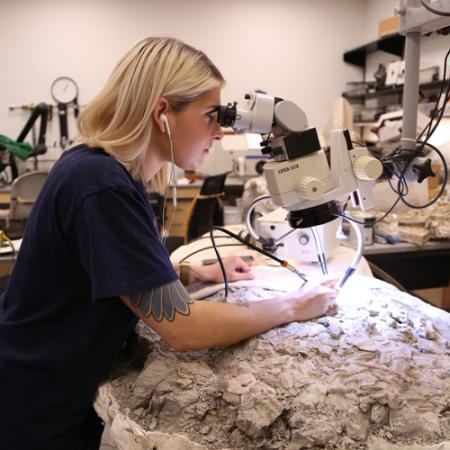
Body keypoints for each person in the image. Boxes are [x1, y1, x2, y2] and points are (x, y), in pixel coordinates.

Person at [0, 37, 338, 450]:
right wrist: (292, 306)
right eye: (211, 116)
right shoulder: (100, 185)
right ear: (163, 113)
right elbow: (184, 327)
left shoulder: (102, 171)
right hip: (37, 406)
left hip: (52, 386)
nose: (220, 130)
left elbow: (105, 269)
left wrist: (194, 273)